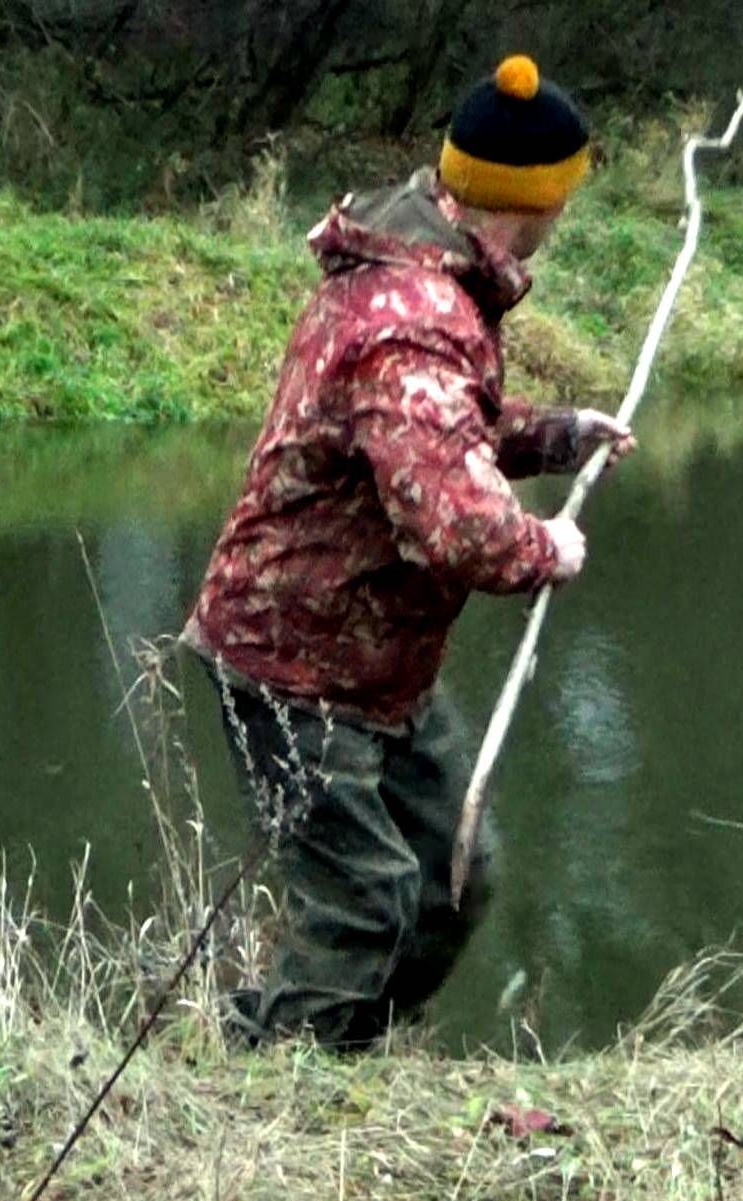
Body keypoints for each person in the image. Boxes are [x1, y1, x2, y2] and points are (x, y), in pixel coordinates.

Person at [184, 53, 635, 1049]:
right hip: (291, 664)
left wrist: (553, 435)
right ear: (537, 203)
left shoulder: (425, 277)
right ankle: (270, 1091)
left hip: (373, 665)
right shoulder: (414, 319)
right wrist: (543, 548)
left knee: (451, 880)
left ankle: (333, 1058)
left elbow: (435, 430)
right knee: (365, 907)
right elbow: (459, 527)